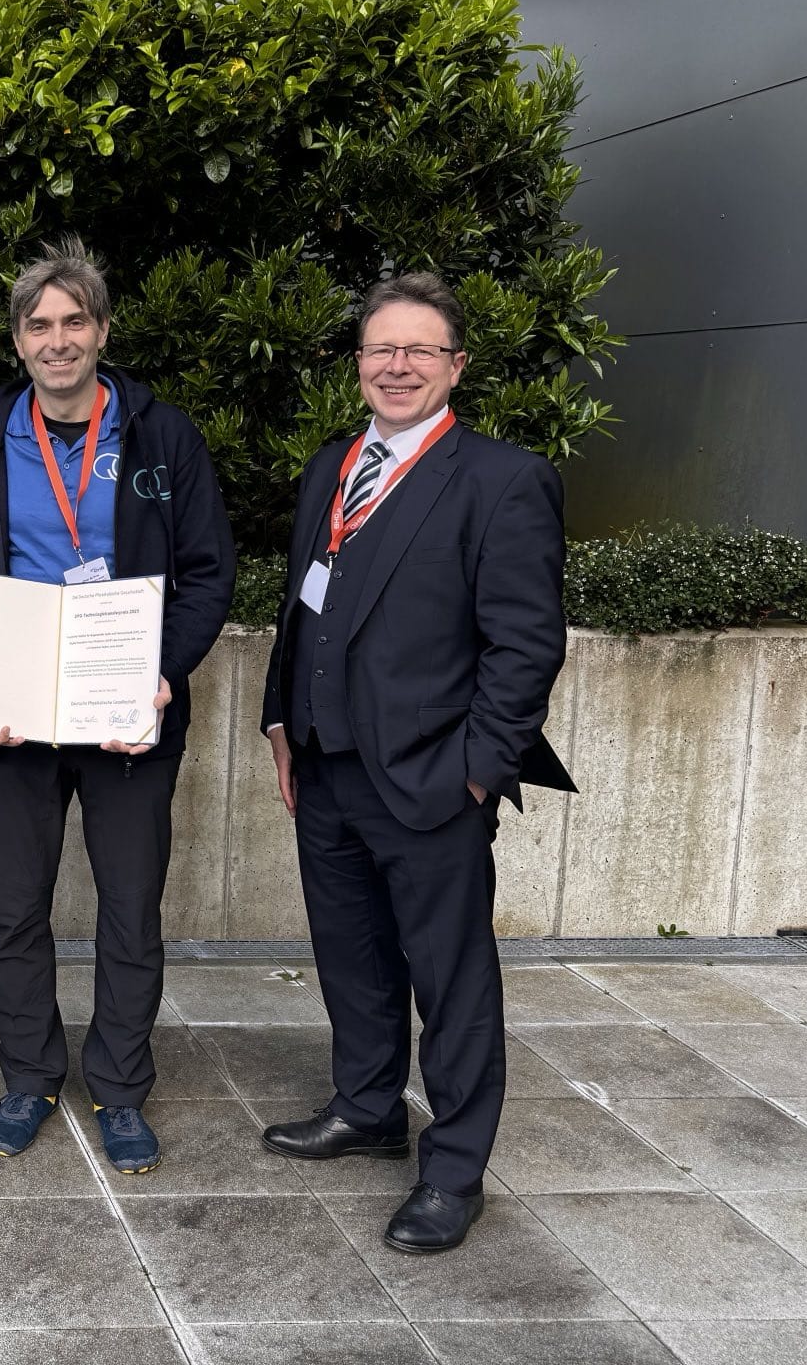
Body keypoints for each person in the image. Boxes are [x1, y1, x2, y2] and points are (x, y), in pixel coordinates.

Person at [259, 271, 574, 1254]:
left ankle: (451, 1168)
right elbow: (300, 608)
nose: (394, 367)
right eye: (378, 349)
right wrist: (279, 722)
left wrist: (476, 770)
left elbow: (525, 646)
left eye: (417, 351)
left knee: (450, 978)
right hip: (324, 763)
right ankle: (365, 1108)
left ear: (454, 367)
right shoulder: (331, 466)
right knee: (349, 955)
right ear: (357, 364)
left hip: (431, 778)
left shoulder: (500, 480)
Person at [0, 237, 234, 1174]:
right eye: (39, 325)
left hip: (125, 708)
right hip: (15, 714)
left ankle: (121, 1086)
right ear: (19, 341)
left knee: (130, 906)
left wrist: (165, 668)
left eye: (74, 322)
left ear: (101, 331)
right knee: (16, 907)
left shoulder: (161, 436)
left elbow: (209, 573)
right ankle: (28, 1076)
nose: (57, 341)